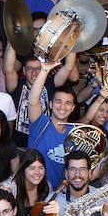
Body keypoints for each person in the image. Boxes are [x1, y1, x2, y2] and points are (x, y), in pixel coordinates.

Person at [26, 59, 78, 187]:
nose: (62, 107)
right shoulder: (41, 123)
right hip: (34, 189)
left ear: (73, 108)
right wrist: (44, 70)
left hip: (60, 195)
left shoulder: (75, 133)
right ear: (50, 104)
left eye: (68, 103)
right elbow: (33, 101)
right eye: (58, 101)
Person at [6, 150, 50, 216]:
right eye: (32, 168)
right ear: (23, 170)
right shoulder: (12, 187)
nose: (37, 172)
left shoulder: (47, 186)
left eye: (41, 168)